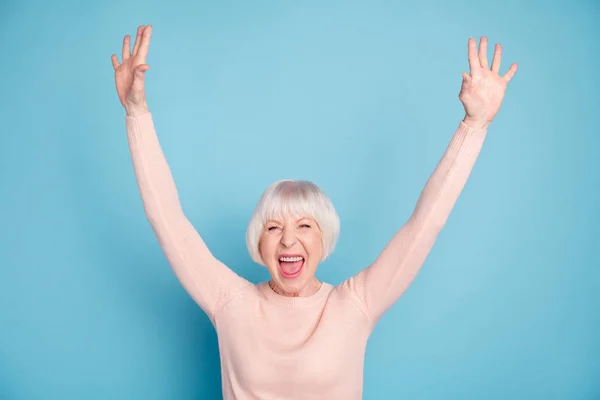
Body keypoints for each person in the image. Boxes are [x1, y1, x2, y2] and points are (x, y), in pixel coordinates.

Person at [111, 24, 517, 399]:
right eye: (274, 227)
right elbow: (166, 218)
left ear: (324, 238)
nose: (289, 239)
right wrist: (136, 113)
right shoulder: (231, 303)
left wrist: (473, 126)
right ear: (258, 241)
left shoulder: (353, 305)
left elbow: (426, 224)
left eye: (304, 225)